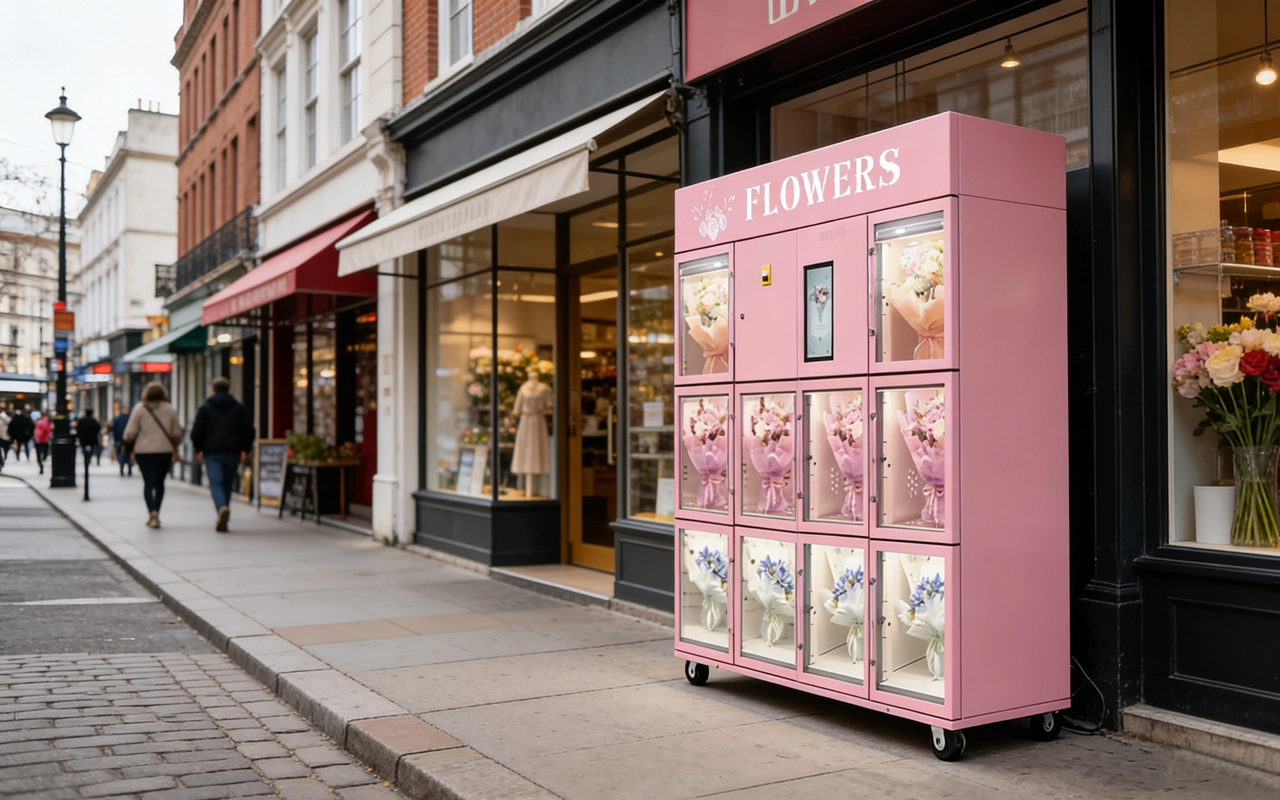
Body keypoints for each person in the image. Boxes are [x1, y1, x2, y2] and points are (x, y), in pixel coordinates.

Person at [190, 376, 254, 533]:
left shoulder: (205, 407)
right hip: (232, 452)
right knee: (227, 483)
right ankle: (224, 511)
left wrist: (198, 449)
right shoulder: (238, 407)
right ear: (229, 389)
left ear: (213, 389)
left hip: (212, 452)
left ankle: (222, 508)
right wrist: (245, 449)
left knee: (215, 483)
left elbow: (197, 431)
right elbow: (249, 430)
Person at [123, 382, 183, 529]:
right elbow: (177, 433)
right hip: (164, 451)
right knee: (160, 483)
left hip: (144, 452)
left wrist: (128, 448)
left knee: (148, 483)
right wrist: (174, 444)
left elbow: (130, 433)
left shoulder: (139, 409)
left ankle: (152, 513)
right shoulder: (169, 409)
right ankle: (157, 511)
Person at [76, 409, 101, 478]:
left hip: (83, 441)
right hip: (92, 441)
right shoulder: (94, 421)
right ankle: (88, 461)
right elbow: (98, 428)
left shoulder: (81, 421)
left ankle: (86, 462)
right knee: (90, 453)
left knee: (85, 453)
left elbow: (77, 429)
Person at [111, 407, 133, 476]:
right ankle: (123, 468)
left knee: (126, 455)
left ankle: (127, 468)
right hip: (123, 440)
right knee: (124, 455)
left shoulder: (128, 418)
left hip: (127, 440)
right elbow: (115, 430)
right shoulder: (119, 419)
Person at [0, 407, 11, 472]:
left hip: (5, 437)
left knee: (4, 450)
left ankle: (2, 462)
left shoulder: (5, 417)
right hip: (4, 436)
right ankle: (1, 463)